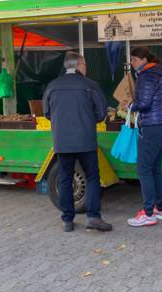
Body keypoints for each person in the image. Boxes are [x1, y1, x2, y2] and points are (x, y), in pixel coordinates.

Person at [43, 51, 112, 233]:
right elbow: (101, 113)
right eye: (85, 64)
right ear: (80, 65)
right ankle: (93, 217)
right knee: (92, 177)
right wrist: (89, 120)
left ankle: (67, 220)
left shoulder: (52, 86)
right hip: (86, 140)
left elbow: (47, 113)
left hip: (62, 141)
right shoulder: (90, 85)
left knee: (65, 179)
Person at [126, 47, 162, 227]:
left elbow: (145, 103)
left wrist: (132, 105)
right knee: (155, 168)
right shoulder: (159, 73)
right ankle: (160, 209)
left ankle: (148, 213)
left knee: (144, 168)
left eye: (134, 60)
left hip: (153, 125)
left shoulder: (146, 75)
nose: (132, 63)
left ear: (144, 59)